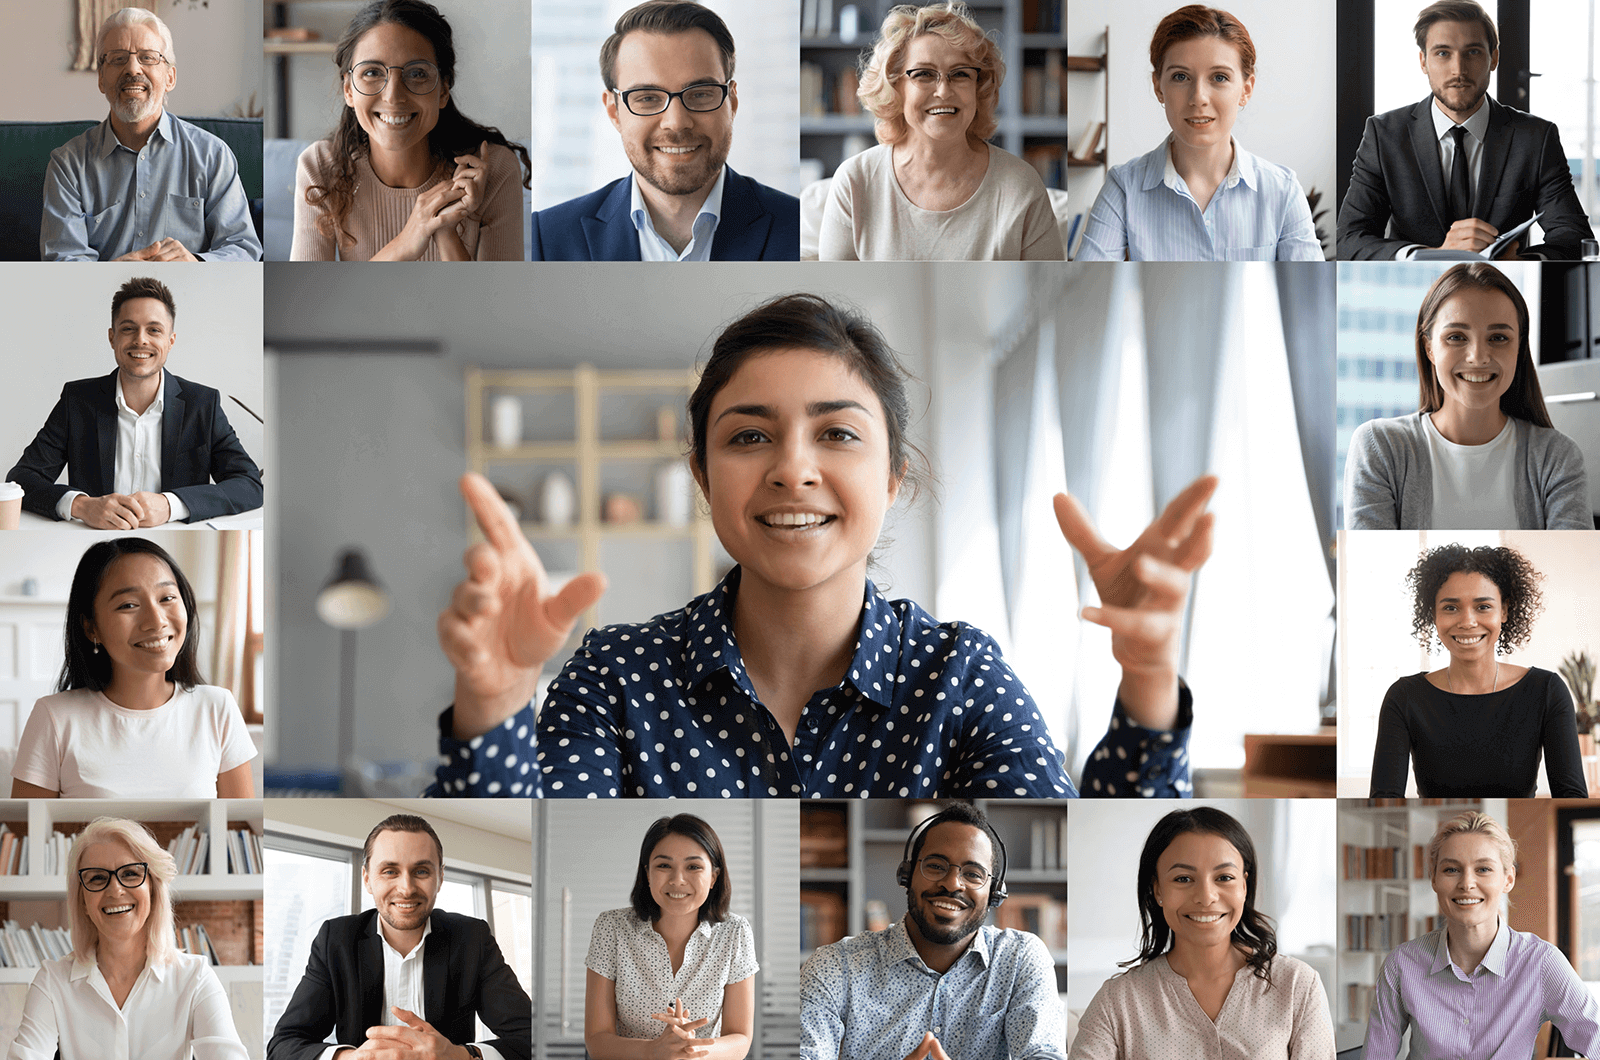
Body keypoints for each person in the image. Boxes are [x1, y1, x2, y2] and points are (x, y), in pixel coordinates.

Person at [430, 293, 1217, 798]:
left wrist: (1148, 683)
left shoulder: (960, 676)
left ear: (894, 478)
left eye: (837, 433)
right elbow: (542, 865)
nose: (792, 469)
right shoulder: (615, 677)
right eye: (749, 436)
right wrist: (494, 704)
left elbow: (1100, 872)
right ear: (703, 477)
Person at [530, 0, 799, 261]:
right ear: (614, 111)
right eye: (647, 97)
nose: (676, 121)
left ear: (732, 101)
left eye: (700, 94)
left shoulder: (798, 225)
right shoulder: (545, 236)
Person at [800, 803, 1063, 1060]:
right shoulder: (835, 967)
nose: (952, 883)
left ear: (995, 893)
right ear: (907, 875)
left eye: (973, 874)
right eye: (936, 866)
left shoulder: (1020, 959)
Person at [1337, 0, 1594, 260]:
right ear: (1423, 62)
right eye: (1442, 53)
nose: (1458, 70)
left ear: (1494, 58)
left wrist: (1519, 261)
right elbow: (1349, 240)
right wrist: (1426, 255)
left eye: (1472, 52)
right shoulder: (1384, 135)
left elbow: (1574, 238)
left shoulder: (1536, 138)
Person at [1069, 807, 1334, 1059]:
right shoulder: (1117, 1001)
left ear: (1244, 885)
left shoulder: (1298, 985)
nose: (1206, 897)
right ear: (1158, 890)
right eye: (1183, 879)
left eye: (1224, 878)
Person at [5, 276, 265, 528]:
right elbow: (21, 480)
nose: (141, 339)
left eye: (154, 330)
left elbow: (249, 484)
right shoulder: (78, 400)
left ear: (170, 340)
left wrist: (170, 504)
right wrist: (83, 506)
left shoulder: (203, 404)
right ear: (112, 338)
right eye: (128, 329)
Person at [1343, 264, 1589, 529]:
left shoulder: (1557, 457)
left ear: (1519, 347)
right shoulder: (1380, 448)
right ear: (1429, 348)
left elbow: (1572, 569)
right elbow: (1369, 568)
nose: (1478, 357)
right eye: (1457, 337)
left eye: (1498, 337)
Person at [267, 814, 532, 1060]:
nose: (406, 888)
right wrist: (352, 1058)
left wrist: (459, 1056)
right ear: (368, 879)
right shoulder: (335, 940)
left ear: (440, 878)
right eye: (390, 871)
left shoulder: (472, 938)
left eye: (421, 871)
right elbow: (283, 1044)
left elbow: (533, 1037)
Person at [9, 538, 256, 799]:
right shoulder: (54, 717)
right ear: (91, 627)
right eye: (128, 605)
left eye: (167, 598)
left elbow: (240, 832)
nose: (156, 621)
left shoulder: (217, 708)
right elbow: (25, 836)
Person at [818, 2, 1063, 261]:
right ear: (894, 87)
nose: (944, 91)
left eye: (959, 74)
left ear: (979, 88)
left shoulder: (1021, 185)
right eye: (924, 74)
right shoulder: (855, 182)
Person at [1075, 6, 1321, 262]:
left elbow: (1310, 297)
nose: (1198, 98)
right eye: (1180, 76)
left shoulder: (1282, 191)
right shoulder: (1124, 188)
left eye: (1219, 77)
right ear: (1158, 87)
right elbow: (1088, 292)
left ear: (1246, 89)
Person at [292, 0, 531, 261]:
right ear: (348, 89)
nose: (393, 96)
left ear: (443, 90)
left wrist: (446, 231)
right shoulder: (320, 167)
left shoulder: (493, 169)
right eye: (372, 72)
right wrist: (407, 241)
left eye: (417, 73)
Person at [6, 818, 248, 1060]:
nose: (115, 890)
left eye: (130, 873)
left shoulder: (196, 978)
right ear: (83, 901)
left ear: (152, 889)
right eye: (97, 878)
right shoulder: (52, 981)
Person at [1364, 811, 1600, 1057]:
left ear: (1508, 879)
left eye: (1483, 869)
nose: (1467, 883)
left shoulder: (1541, 962)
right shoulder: (1401, 964)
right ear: (1433, 878)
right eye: (1451, 870)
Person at [39, 8, 260, 262]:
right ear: (101, 78)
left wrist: (197, 264)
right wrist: (112, 273)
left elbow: (243, 249)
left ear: (170, 77)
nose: (133, 68)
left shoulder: (213, 155)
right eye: (118, 59)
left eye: (148, 57)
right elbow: (62, 262)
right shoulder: (67, 165)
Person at [1368, 544, 1586, 798]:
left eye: (1483, 606)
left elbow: (1571, 797)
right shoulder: (1404, 697)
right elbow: (1385, 799)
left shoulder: (1546, 690)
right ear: (1434, 615)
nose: (1468, 621)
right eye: (1451, 607)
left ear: (1503, 610)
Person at [585, 814, 755, 1059]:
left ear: (713, 877)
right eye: (664, 866)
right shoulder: (611, 927)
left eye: (693, 867)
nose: (677, 880)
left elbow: (740, 1039)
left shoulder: (735, 931)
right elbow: (597, 1040)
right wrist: (654, 1051)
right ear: (647, 873)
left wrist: (689, 1050)